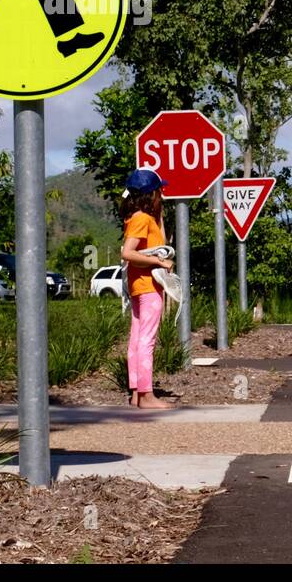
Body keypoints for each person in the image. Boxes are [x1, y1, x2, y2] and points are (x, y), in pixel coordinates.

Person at [119, 169, 175, 409]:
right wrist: (159, 262)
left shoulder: (138, 217)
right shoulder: (142, 219)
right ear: (151, 193)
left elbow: (160, 244)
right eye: (159, 190)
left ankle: (136, 392)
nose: (162, 193)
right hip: (149, 286)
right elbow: (127, 253)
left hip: (138, 286)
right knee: (147, 340)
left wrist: (160, 213)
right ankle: (146, 395)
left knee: (136, 338)